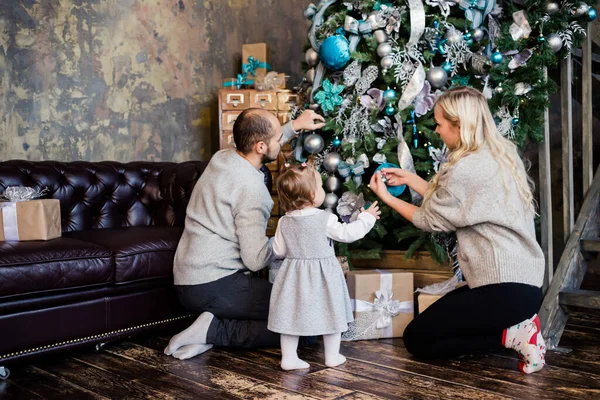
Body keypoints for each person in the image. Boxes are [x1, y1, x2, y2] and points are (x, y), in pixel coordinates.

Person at [368, 86, 546, 374]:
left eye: (439, 124)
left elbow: (430, 219)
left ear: (459, 125)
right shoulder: (500, 156)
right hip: (524, 288)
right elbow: (460, 204)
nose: (436, 130)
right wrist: (411, 179)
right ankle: (517, 327)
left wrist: (387, 199)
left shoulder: (466, 168)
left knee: (417, 338)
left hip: (501, 291)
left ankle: (513, 335)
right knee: (442, 318)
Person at [163, 108, 325, 360]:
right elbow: (255, 259)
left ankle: (205, 331)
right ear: (260, 146)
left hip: (187, 279)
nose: (281, 142)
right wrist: (289, 239)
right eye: (277, 139)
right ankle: (213, 331)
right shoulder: (251, 190)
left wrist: (294, 125)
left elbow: (265, 140)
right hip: (214, 284)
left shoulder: (223, 157)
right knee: (306, 324)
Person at [268, 160, 380, 370]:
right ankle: (332, 356)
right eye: (319, 187)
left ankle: (289, 357)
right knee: (332, 312)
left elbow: (278, 251)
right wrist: (366, 218)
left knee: (290, 316)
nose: (322, 190)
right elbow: (347, 234)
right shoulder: (324, 218)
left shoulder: (284, 221)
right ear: (311, 194)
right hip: (324, 276)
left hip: (293, 276)